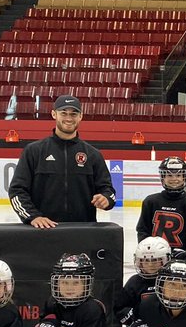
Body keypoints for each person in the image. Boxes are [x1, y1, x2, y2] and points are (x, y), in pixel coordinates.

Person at [8, 95, 115, 228]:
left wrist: (106, 199)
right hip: (43, 231)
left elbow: (108, 190)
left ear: (80, 116)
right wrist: (33, 216)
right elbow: (17, 190)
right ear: (54, 114)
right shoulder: (34, 151)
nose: (69, 118)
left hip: (83, 231)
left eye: (73, 114)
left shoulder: (93, 154)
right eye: (63, 113)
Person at [137, 157, 186, 252]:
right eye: (169, 175)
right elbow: (143, 230)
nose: (174, 179)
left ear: (184, 177)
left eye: (178, 175)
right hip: (156, 256)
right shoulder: (150, 201)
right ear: (163, 177)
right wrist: (147, 251)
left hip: (184, 256)